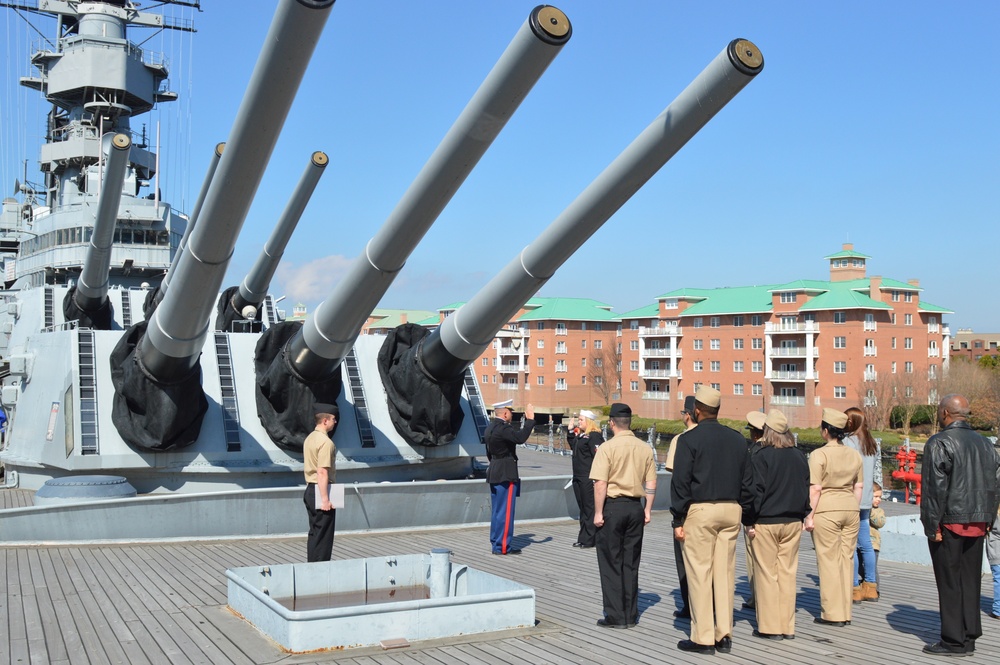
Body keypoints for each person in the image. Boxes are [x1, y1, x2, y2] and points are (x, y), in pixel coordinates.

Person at [671, 386, 755, 655]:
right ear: (718, 410)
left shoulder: (688, 440)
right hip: (732, 509)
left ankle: (703, 637)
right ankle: (724, 634)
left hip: (701, 510)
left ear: (696, 410)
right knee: (725, 573)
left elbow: (681, 484)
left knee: (699, 573)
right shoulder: (738, 439)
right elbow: (748, 483)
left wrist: (678, 518)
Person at [920, 394, 1000, 656]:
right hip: (978, 521)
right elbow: (994, 485)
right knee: (970, 580)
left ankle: (953, 640)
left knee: (950, 582)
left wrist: (932, 527)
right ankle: (969, 637)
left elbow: (934, 490)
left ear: (945, 413)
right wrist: (988, 518)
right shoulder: (986, 444)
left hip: (950, 522)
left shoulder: (939, 442)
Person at [590, 402, 656, 629]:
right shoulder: (645, 448)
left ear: (611, 423)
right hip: (635, 508)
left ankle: (615, 616)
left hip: (613, 507)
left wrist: (598, 513)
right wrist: (647, 509)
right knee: (631, 562)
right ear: (630, 423)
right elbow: (651, 482)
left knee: (611, 561)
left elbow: (600, 483)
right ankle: (630, 613)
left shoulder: (607, 448)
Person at [746, 408, 810, 640]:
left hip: (766, 520)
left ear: (767, 431)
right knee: (787, 573)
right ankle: (787, 626)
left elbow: (756, 492)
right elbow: (805, 488)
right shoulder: (799, 456)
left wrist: (749, 520)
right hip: (793, 520)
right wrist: (804, 514)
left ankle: (770, 627)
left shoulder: (761, 456)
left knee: (766, 574)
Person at [806, 407, 862, 627]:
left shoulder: (819, 455)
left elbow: (815, 489)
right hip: (850, 507)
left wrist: (809, 517)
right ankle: (846, 610)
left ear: (826, 430)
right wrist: (852, 507)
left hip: (827, 508)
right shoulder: (854, 454)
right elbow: (859, 485)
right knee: (846, 559)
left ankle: (832, 613)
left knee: (828, 560)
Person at [485, 399, 535, 555]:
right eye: (511, 413)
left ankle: (496, 541)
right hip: (506, 473)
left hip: (494, 470)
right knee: (506, 512)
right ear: (505, 413)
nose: (511, 416)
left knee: (497, 511)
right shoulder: (503, 429)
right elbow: (520, 438)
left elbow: (489, 452)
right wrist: (530, 421)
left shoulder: (490, 428)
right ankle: (503, 546)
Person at [843, 406, 881, 603]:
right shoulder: (872, 443)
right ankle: (871, 585)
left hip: (851, 497)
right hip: (866, 498)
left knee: (851, 544)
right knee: (865, 543)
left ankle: (854, 586)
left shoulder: (847, 443)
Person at [665, 395, 697, 619]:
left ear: (687, 415)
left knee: (685, 560)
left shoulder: (681, 440)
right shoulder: (723, 437)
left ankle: (690, 605)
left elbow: (674, 474)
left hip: (688, 510)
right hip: (718, 508)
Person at [303, 402, 338, 562]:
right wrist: (325, 499)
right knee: (324, 536)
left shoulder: (310, 438)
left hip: (310, 488)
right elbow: (322, 471)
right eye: (333, 419)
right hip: (322, 490)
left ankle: (312, 567)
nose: (335, 422)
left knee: (315, 533)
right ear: (325, 421)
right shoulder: (326, 442)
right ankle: (320, 571)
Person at [567, 409, 603, 548]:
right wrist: (570, 432)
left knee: (589, 508)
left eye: (581, 420)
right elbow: (574, 447)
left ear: (588, 421)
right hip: (578, 477)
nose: (578, 422)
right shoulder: (581, 436)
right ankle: (583, 537)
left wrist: (597, 478)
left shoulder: (594, 436)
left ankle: (590, 539)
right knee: (582, 508)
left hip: (588, 477)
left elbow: (599, 457)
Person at [742, 410, 766, 611]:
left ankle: (756, 597)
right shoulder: (778, 450)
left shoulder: (755, 453)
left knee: (754, 557)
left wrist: (748, 516)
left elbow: (752, 487)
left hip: (757, 515)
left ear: (755, 433)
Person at [868, 482, 886, 597]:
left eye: (880, 497)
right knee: (860, 565)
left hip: (874, 544)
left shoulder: (879, 511)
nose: (878, 500)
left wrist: (871, 512)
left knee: (872, 566)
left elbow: (880, 523)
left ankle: (876, 588)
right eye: (875, 497)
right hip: (863, 542)